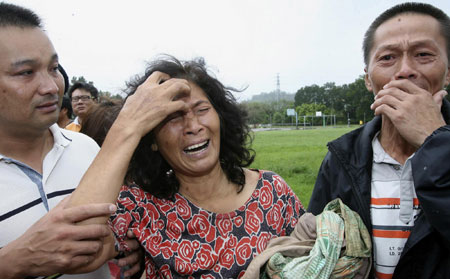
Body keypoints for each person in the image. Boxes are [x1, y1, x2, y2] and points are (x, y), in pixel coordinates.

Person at [67, 56, 305, 278]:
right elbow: (73, 249)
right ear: (152, 141)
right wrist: (126, 128)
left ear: (221, 118)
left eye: (202, 110)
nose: (193, 126)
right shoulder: (141, 206)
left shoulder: (273, 192)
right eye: (173, 117)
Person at [308, 2, 450, 278]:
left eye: (423, 54)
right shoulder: (341, 157)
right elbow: (319, 252)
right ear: (368, 81)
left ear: (448, 72)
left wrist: (435, 141)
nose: (405, 70)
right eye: (387, 58)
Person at [0, 3, 141, 278]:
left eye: (53, 68)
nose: (52, 87)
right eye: (26, 72)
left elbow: (117, 227)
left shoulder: (86, 148)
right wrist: (12, 261)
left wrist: (123, 244)